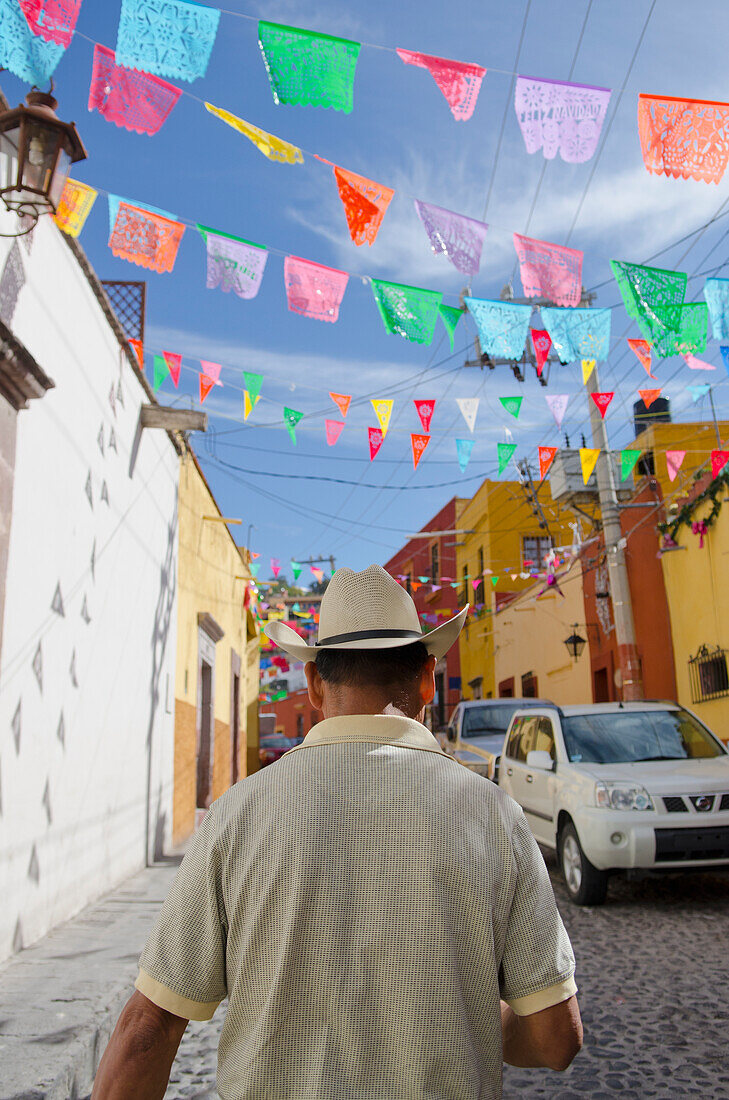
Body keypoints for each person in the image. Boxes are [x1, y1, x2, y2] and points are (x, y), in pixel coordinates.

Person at [92, 565, 582, 1099]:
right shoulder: (497, 818)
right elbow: (557, 1039)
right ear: (427, 679)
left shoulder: (235, 816)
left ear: (313, 685)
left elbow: (146, 1032)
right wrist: (473, 1022)